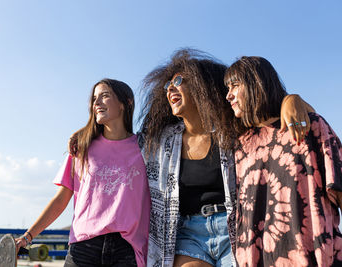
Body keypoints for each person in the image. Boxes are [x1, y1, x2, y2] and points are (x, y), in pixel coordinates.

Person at [138, 49, 313, 267]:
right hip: (188, 235)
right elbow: (117, 141)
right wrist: (86, 134)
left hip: (237, 228)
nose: (170, 88)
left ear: (203, 86)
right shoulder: (162, 141)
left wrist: (290, 100)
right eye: (167, 86)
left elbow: (276, 116)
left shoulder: (233, 129)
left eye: (179, 81)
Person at [17, 78, 151, 267]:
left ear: (126, 102)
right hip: (83, 247)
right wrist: (27, 236)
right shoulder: (81, 148)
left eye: (104, 96)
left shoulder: (147, 149)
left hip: (127, 249)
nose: (96, 103)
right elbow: (61, 199)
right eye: (94, 98)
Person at [225, 56, 342, 266]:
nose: (229, 95)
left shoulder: (310, 126)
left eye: (235, 85)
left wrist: (291, 98)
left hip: (314, 258)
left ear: (256, 83)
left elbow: (339, 189)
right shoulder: (238, 147)